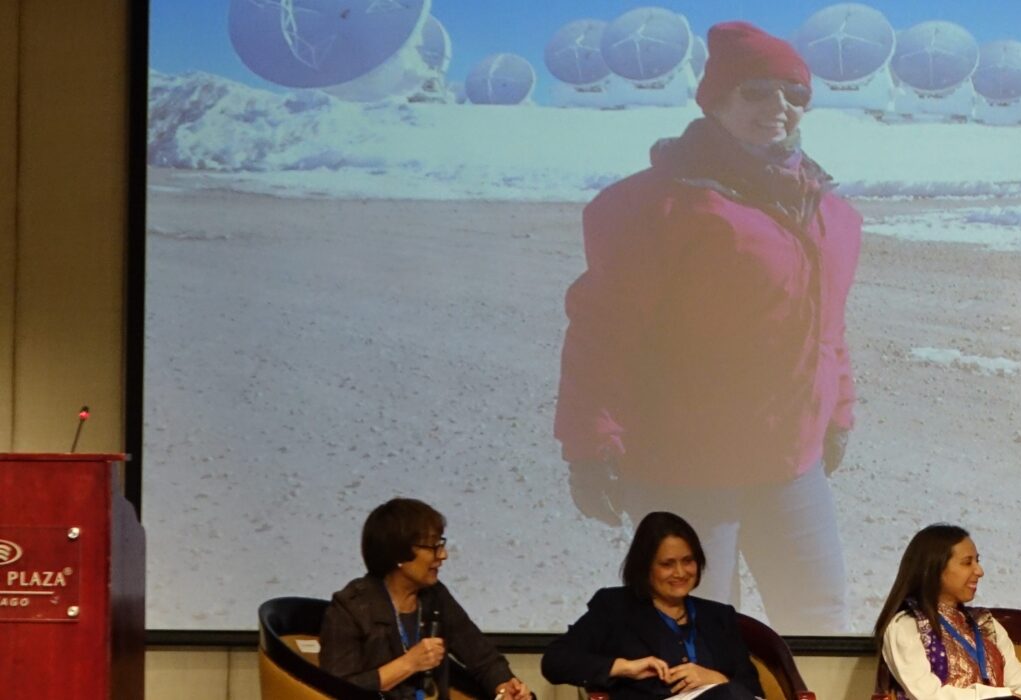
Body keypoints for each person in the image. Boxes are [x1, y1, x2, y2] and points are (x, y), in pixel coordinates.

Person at [554, 19, 864, 633]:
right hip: (685, 465)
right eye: (755, 91)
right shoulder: (657, 206)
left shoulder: (829, 212)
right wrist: (590, 444)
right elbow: (602, 330)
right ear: (716, 99)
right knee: (699, 632)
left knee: (819, 619)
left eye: (793, 94)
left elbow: (829, 329)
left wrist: (838, 411)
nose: (777, 107)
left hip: (790, 463)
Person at [319, 498, 532, 700]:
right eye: (433, 547)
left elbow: (482, 658)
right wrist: (409, 664)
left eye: (441, 544)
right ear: (399, 554)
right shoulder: (351, 607)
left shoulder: (435, 596)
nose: (443, 555)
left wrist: (506, 687)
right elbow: (334, 690)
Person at [544, 511, 765, 700]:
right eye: (667, 564)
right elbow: (555, 661)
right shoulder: (614, 609)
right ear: (645, 567)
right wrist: (624, 667)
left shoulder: (719, 616)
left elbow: (753, 690)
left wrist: (716, 679)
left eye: (688, 561)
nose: (680, 573)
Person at [875, 525, 1021, 700]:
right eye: (967, 562)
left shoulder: (986, 624)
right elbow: (929, 696)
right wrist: (999, 695)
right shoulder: (907, 626)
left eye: (977, 561)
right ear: (935, 568)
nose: (979, 571)